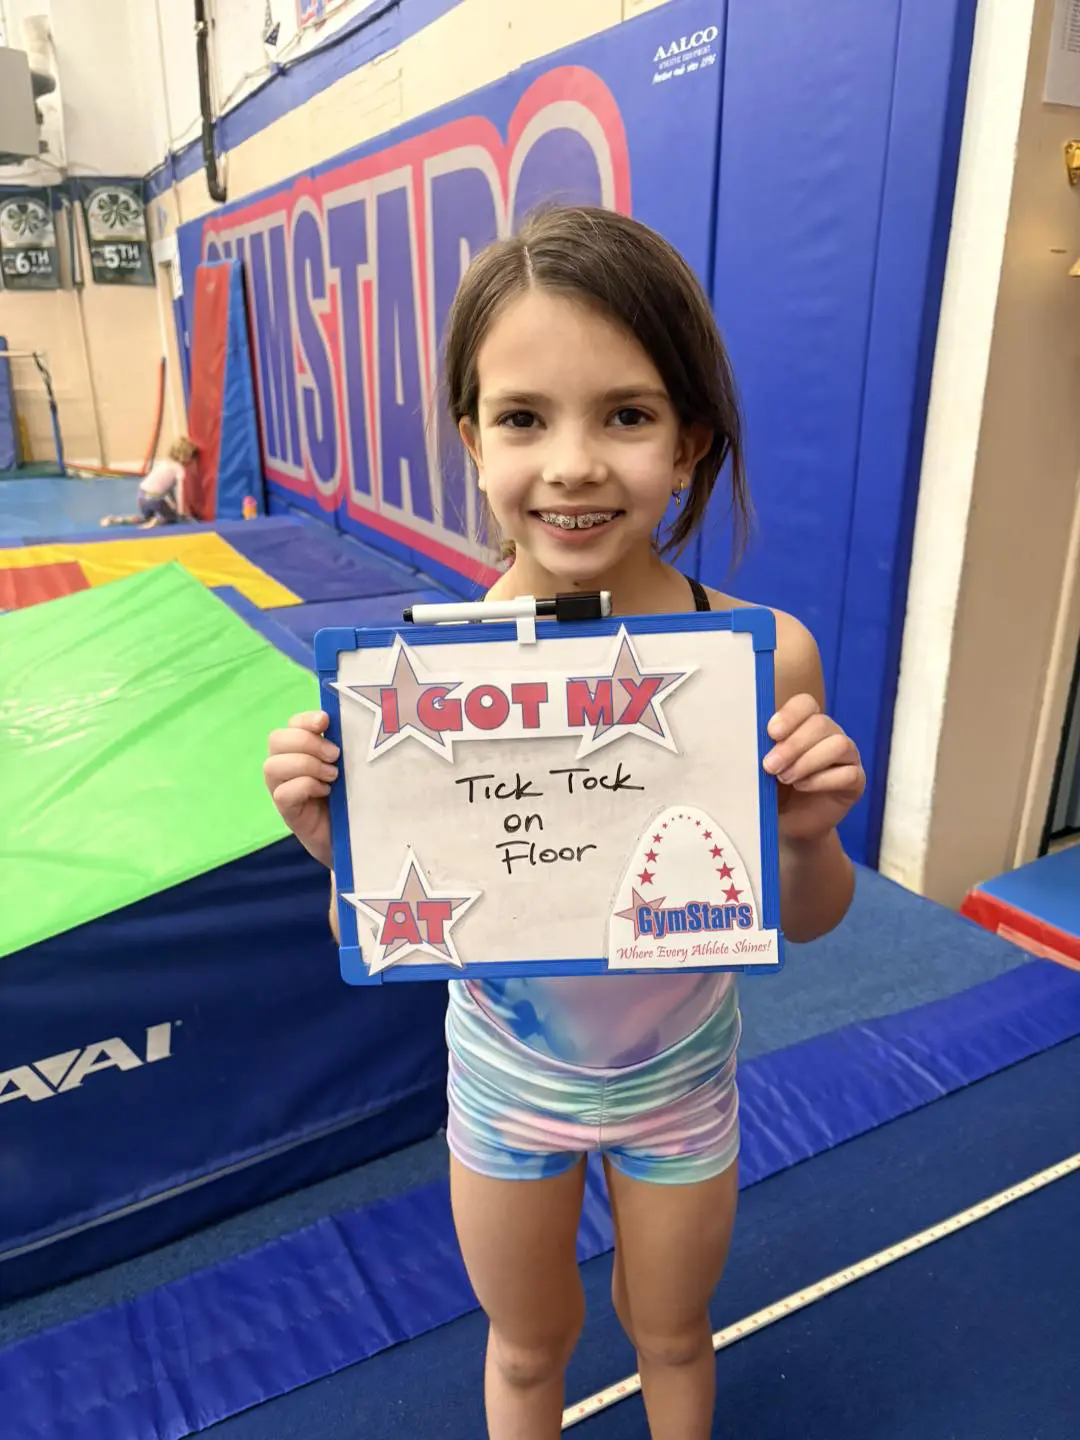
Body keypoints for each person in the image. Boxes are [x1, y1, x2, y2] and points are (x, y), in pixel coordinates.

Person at [263, 206, 865, 1439]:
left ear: (689, 444)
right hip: (505, 1086)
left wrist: (809, 835)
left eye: (626, 415)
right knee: (528, 1351)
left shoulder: (763, 658)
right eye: (525, 418)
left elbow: (806, 918)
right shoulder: (416, 688)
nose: (574, 465)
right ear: (474, 440)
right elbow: (376, 929)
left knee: (674, 1334)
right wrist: (338, 853)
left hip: (680, 1086)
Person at [99, 437, 197, 527]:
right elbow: (180, 491)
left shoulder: (164, 463)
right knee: (173, 517)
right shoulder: (179, 469)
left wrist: (173, 502)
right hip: (154, 499)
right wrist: (181, 511)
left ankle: (116, 520)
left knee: (145, 519)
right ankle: (158, 520)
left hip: (142, 496)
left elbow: (168, 487)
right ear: (186, 456)